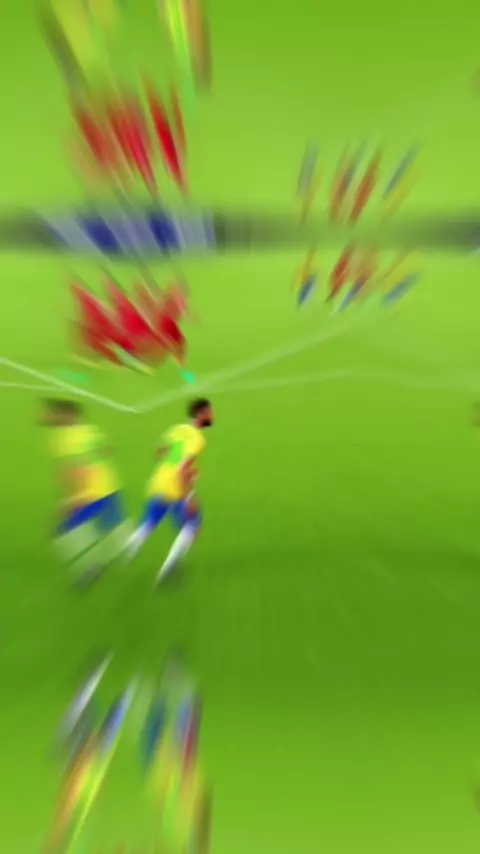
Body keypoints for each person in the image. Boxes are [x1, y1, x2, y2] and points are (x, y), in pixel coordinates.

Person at [42, 399, 130, 584]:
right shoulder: (91, 430)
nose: (48, 416)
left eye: (53, 413)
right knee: (112, 524)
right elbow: (108, 449)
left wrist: (71, 498)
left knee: (65, 531)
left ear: (66, 415)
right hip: (110, 484)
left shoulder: (63, 439)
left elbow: (74, 468)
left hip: (91, 491)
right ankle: (128, 543)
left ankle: (92, 566)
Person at [127, 399, 214, 584]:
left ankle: (127, 551)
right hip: (176, 486)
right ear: (201, 414)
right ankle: (169, 567)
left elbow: (159, 451)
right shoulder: (197, 439)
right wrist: (189, 496)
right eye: (210, 412)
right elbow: (183, 468)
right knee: (192, 525)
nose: (212, 415)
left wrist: (177, 461)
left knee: (150, 521)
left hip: (159, 481)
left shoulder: (178, 429)